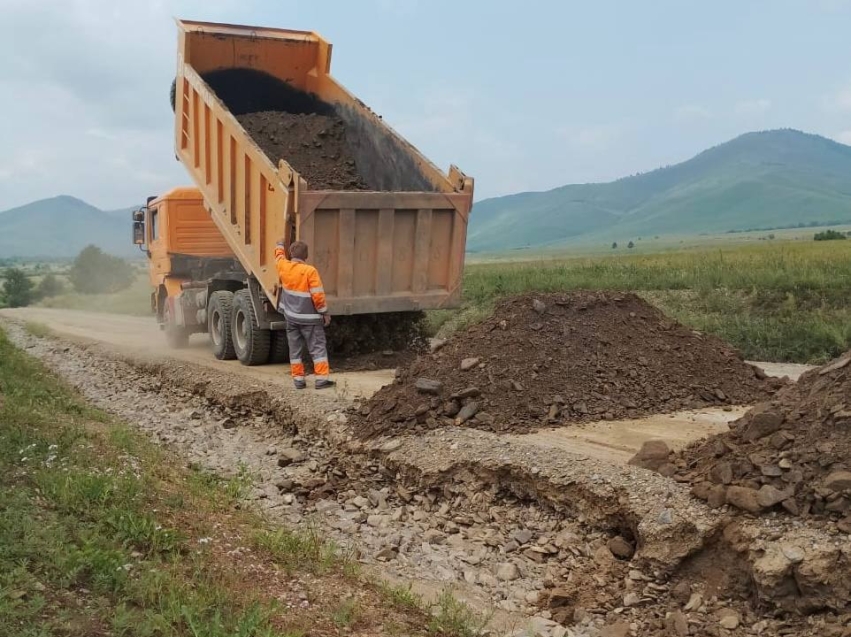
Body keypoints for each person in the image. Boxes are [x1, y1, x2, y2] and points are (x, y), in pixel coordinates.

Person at [274, 239, 335, 390]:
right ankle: (321, 380)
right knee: (317, 349)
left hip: (291, 318)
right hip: (310, 320)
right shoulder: (310, 271)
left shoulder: (284, 266)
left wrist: (280, 245)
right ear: (306, 255)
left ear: (291, 253)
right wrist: (325, 313)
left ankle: (299, 381)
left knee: (295, 350)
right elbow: (318, 296)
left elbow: (278, 257)